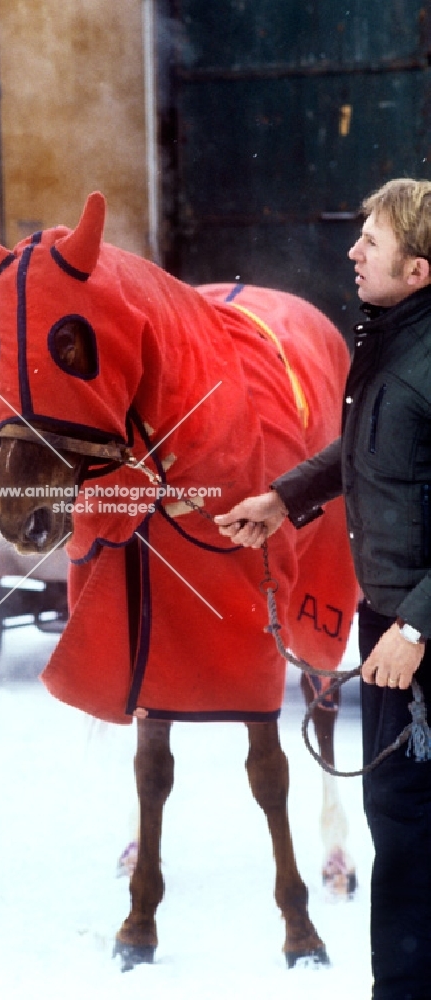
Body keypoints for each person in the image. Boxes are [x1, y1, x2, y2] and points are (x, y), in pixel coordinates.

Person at [215, 178, 431, 1000]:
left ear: (417, 270)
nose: (351, 253)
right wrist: (281, 500)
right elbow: (369, 451)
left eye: (370, 243)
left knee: (412, 830)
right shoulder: (391, 343)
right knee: (399, 824)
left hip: (414, 637)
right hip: (389, 629)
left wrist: (415, 630)